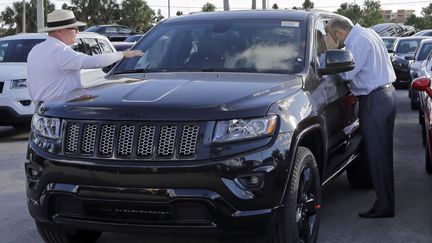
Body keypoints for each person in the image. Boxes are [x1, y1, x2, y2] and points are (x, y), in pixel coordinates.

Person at [325, 17, 398, 218]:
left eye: (330, 36)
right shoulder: (370, 32)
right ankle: (386, 202)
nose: (329, 39)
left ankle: (384, 206)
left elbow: (346, 74)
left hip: (374, 100)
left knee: (377, 156)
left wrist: (331, 51)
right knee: (382, 155)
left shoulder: (356, 42)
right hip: (386, 95)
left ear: (338, 33)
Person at [27, 9, 143, 103]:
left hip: (42, 110)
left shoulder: (35, 50)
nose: (77, 32)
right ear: (60, 31)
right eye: (74, 28)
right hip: (61, 109)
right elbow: (93, 61)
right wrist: (122, 54)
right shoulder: (60, 51)